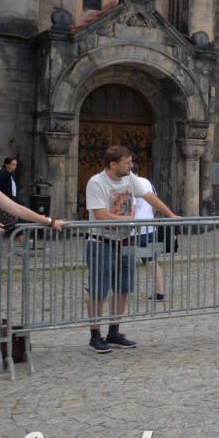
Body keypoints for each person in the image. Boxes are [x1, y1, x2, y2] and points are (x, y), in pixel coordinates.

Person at [85, 146, 178, 353]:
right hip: (102, 242)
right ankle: (95, 335)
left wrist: (170, 214)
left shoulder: (129, 179)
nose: (132, 165)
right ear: (113, 164)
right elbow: (100, 215)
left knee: (123, 288)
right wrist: (131, 219)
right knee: (99, 291)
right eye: (128, 162)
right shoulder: (96, 182)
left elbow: (149, 196)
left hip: (126, 240)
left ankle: (114, 332)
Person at [132, 175, 168, 302]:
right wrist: (149, 216)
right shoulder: (147, 182)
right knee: (151, 260)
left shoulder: (130, 183)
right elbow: (154, 203)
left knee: (119, 258)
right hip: (149, 229)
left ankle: (102, 291)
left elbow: (132, 208)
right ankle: (160, 292)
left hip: (133, 230)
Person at [0, 156, 19, 235]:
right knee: (12, 218)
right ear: (7, 164)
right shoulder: (4, 174)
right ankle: (21, 237)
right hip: (5, 200)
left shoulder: (9, 174)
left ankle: (20, 237)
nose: (15, 166)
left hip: (8, 199)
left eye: (16, 165)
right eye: (13, 164)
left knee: (9, 219)